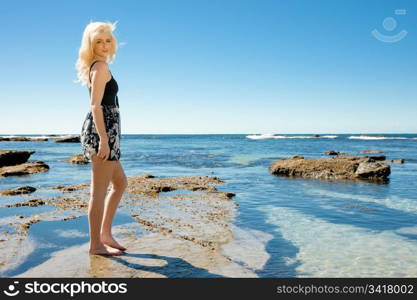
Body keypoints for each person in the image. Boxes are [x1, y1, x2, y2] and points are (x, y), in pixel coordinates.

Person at [76, 21, 127, 256]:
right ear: (91, 44)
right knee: (98, 192)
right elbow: (95, 106)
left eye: (107, 40)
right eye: (99, 41)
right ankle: (95, 245)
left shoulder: (100, 66)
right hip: (103, 133)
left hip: (108, 132)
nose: (105, 45)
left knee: (120, 184)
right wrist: (104, 140)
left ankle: (105, 234)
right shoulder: (99, 67)